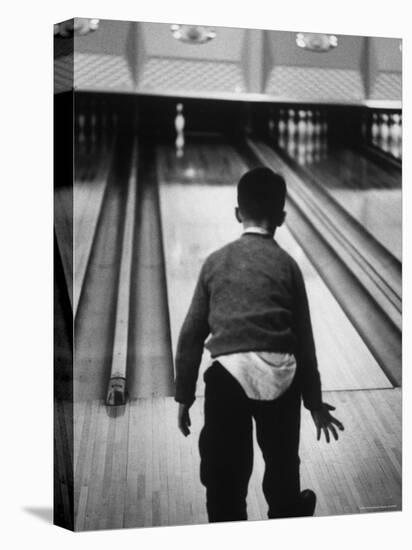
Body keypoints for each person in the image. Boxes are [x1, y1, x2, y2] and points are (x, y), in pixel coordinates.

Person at [174, 166, 344, 523]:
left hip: (227, 379)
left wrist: (185, 396)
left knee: (224, 480)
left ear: (238, 213)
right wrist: (313, 403)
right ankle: (287, 510)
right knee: (282, 467)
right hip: (281, 378)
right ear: (282, 217)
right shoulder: (288, 266)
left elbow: (190, 336)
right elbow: (305, 342)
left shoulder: (215, 262)